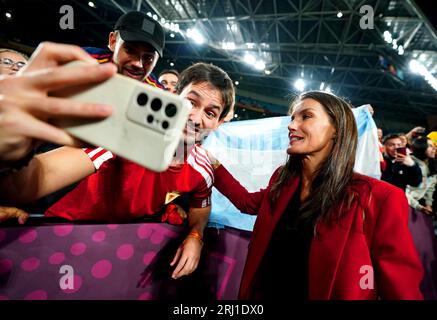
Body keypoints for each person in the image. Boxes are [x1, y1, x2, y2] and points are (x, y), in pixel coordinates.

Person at [0, 62, 235, 280]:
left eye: (210, 113)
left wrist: (196, 236)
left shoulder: (203, 167)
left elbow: (200, 207)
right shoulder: (128, 136)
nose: (196, 117)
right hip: (57, 240)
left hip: (117, 256)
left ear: (218, 123)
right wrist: (11, 147)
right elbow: (40, 177)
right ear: (174, 98)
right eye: (191, 102)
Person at [209, 91, 423, 299]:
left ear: (336, 129)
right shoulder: (282, 179)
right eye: (293, 118)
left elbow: (401, 287)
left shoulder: (379, 198)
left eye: (306, 116)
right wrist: (212, 164)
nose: (291, 125)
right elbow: (248, 203)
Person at [406, 137, 437, 215]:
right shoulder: (409, 163)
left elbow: (430, 188)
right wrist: (418, 206)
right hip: (407, 203)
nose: (434, 148)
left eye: (434, 145)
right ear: (421, 147)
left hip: (418, 205)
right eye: (430, 145)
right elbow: (404, 190)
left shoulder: (432, 166)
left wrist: (428, 204)